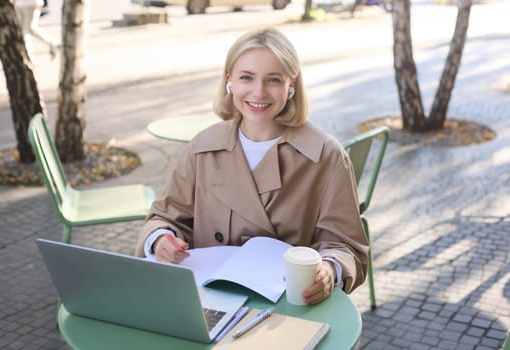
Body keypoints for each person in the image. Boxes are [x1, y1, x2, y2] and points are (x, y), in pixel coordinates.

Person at [135, 27, 368, 305]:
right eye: (246, 77)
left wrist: (330, 270)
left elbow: (346, 246)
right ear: (229, 81)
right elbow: (164, 218)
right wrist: (161, 240)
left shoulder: (325, 156)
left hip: (287, 304)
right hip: (207, 298)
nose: (259, 92)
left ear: (291, 86)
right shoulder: (202, 147)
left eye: (273, 80)